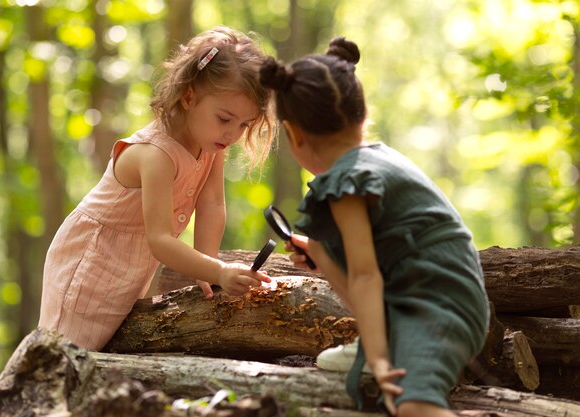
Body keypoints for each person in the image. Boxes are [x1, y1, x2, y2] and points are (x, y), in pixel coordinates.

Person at [259, 38, 489, 417]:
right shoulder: (374, 162)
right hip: (436, 291)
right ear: (361, 116)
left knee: (412, 405)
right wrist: (320, 254)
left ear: (294, 133)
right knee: (324, 245)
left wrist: (381, 360)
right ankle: (377, 345)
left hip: (434, 306)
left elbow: (366, 277)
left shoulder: (347, 182)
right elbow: (366, 270)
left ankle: (382, 352)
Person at [39, 26, 276, 351]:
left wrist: (207, 268)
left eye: (244, 125)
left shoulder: (210, 144)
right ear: (189, 96)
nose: (233, 135)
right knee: (62, 357)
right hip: (90, 265)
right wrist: (220, 271)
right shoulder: (156, 155)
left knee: (101, 357)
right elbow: (161, 241)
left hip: (129, 270)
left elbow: (212, 205)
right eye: (224, 119)